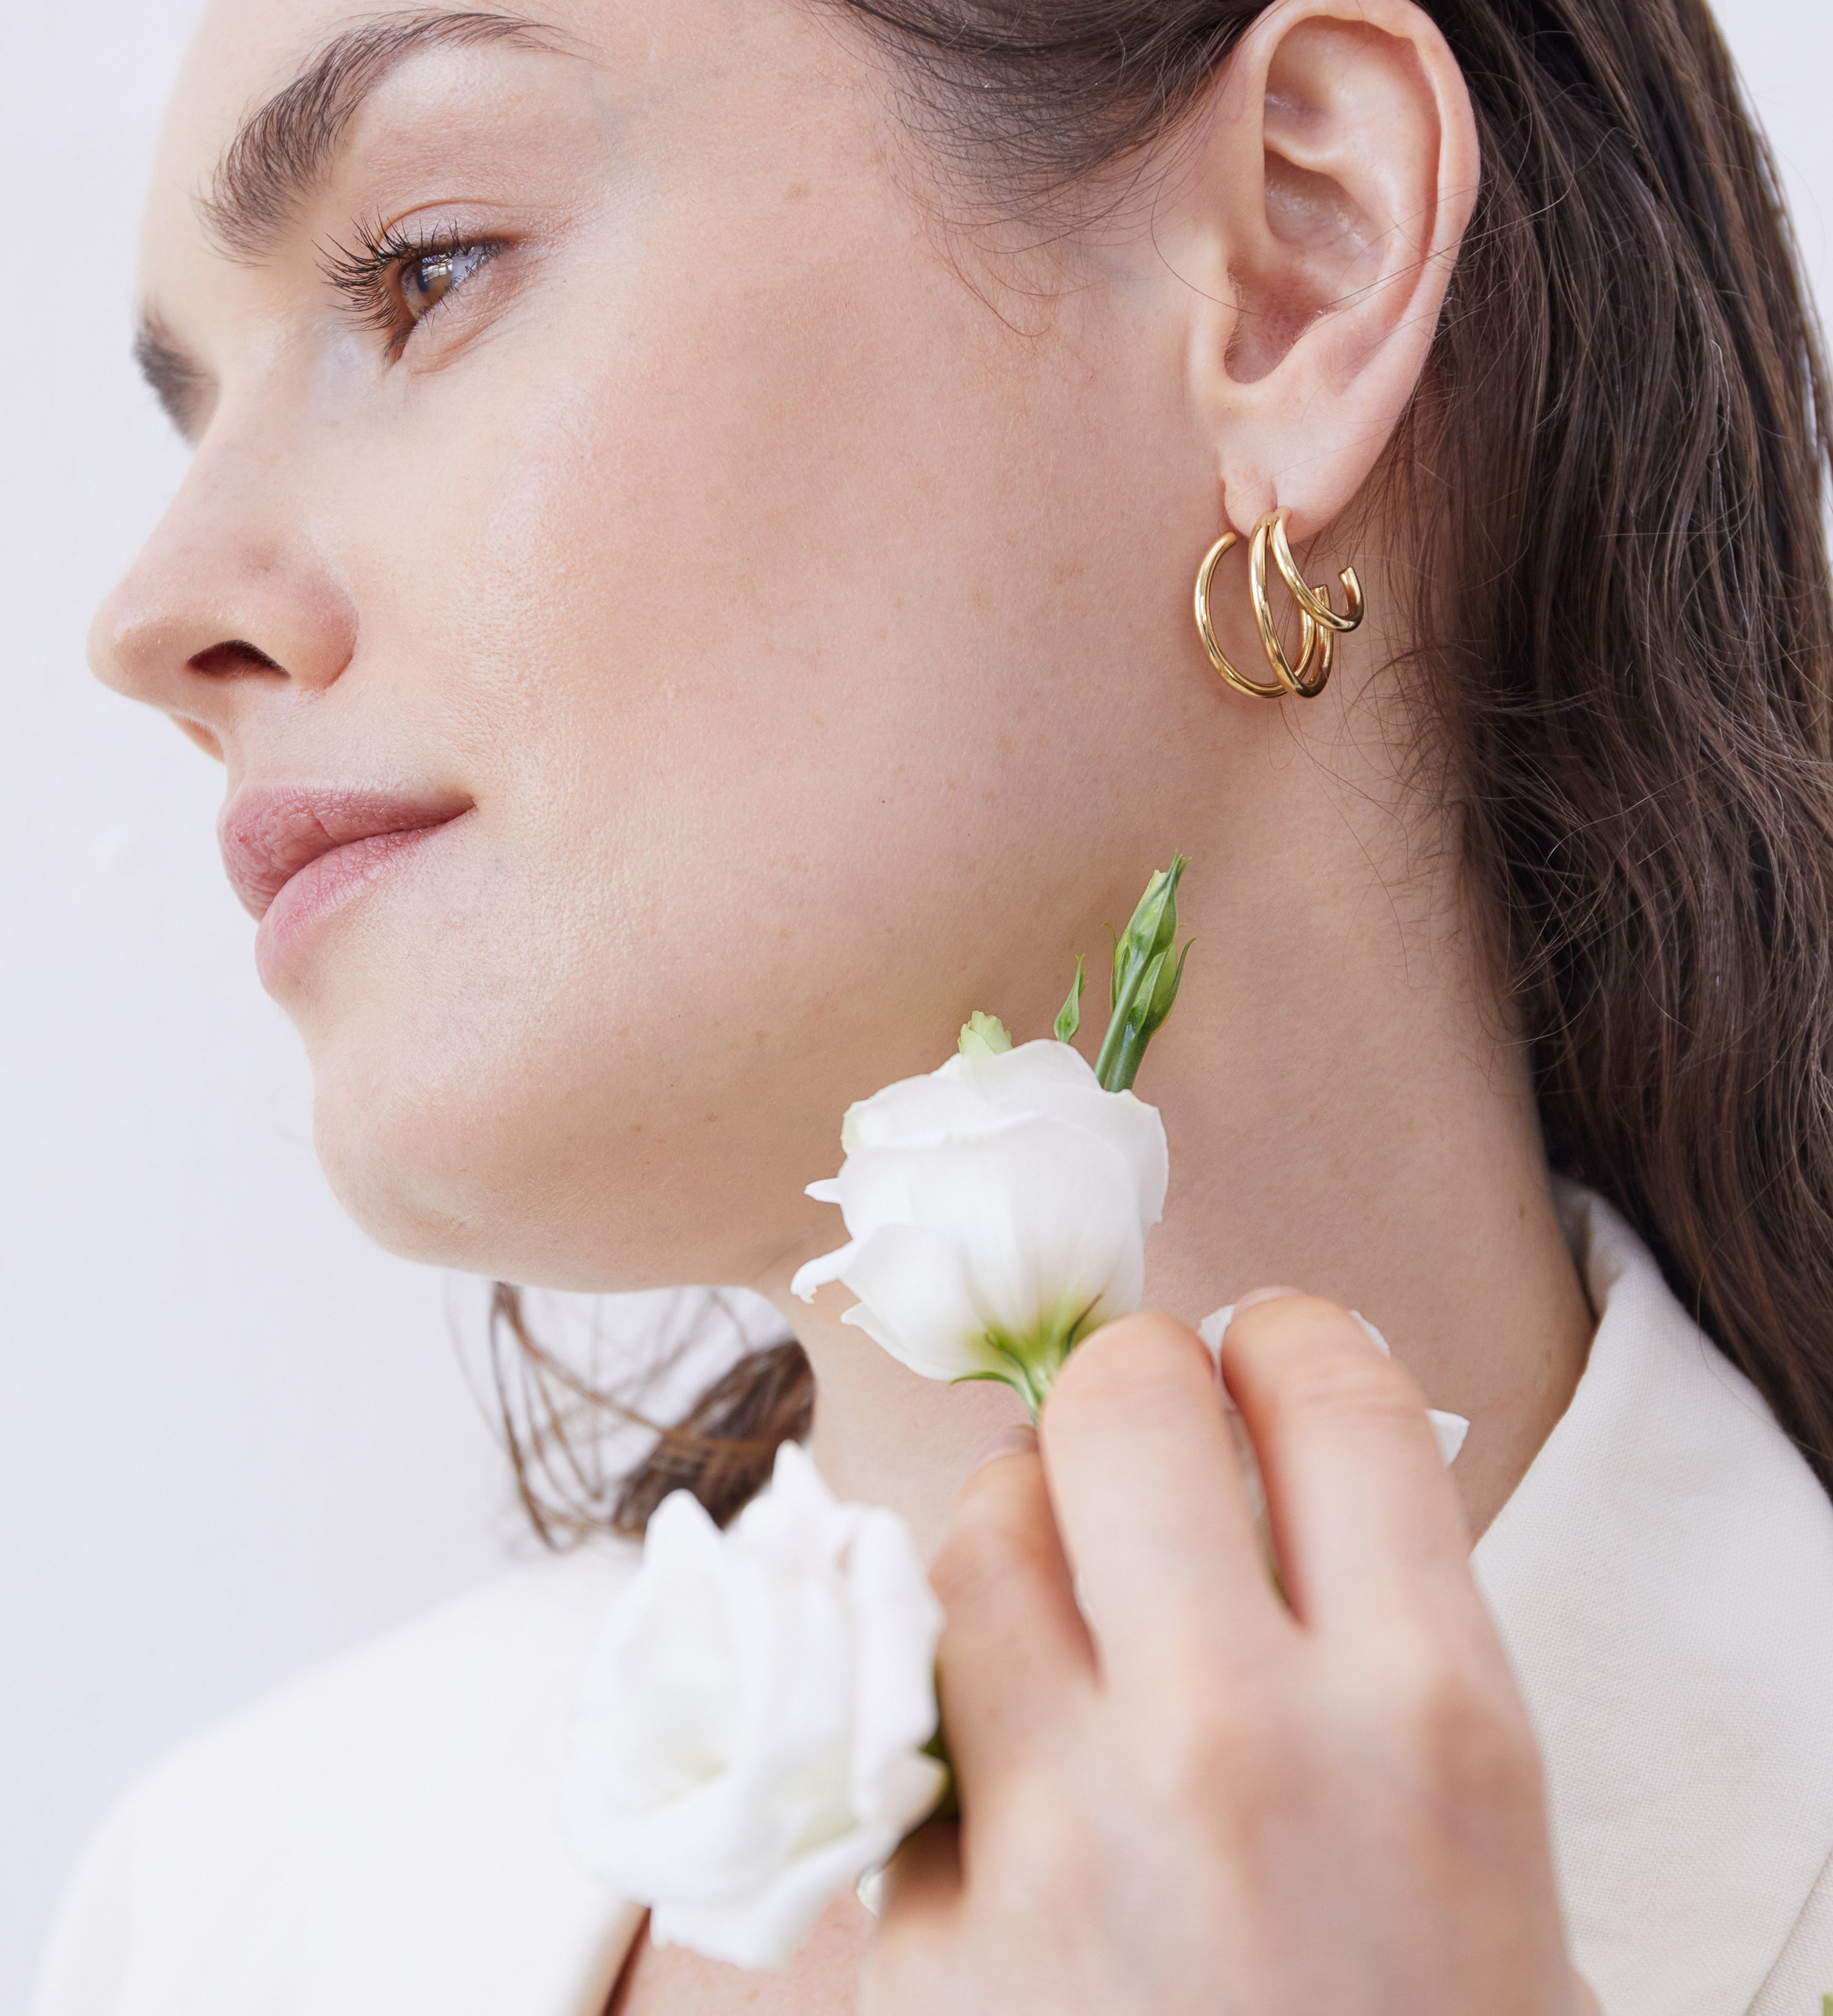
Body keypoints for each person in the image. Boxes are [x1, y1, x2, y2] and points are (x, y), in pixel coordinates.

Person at [31, 0, 1833, 2007]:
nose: (150, 612)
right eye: (196, 412)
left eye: (427, 271)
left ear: (1287, 264)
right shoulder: (222, 1915)